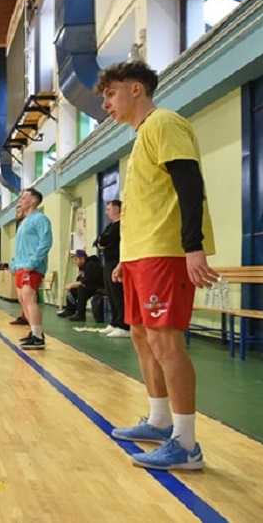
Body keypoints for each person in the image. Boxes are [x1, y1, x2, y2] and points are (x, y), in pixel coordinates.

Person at [96, 61, 217, 470]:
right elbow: (145, 205)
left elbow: (189, 183)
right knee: (142, 336)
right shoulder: (141, 137)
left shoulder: (164, 123)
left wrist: (193, 247)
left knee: (166, 342)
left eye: (110, 94)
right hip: (139, 256)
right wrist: (125, 258)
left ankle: (186, 445)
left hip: (164, 253)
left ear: (135, 90)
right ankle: (161, 421)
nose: (106, 104)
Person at [9, 188, 53, 349]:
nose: (20, 200)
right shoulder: (23, 223)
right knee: (22, 299)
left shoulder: (40, 219)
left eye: (24, 197)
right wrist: (14, 263)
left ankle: (38, 337)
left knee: (29, 298)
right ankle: (34, 332)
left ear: (33, 201)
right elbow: (20, 247)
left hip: (31, 267)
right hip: (21, 266)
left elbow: (46, 242)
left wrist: (33, 262)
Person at [95, 199, 129, 337]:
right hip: (108, 262)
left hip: (117, 262)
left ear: (116, 209)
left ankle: (124, 325)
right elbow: (98, 241)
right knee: (110, 293)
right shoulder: (110, 226)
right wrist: (102, 241)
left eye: (109, 209)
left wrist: (103, 242)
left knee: (118, 293)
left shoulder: (121, 225)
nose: (106, 212)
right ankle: (115, 322)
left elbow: (103, 241)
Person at [56, 249, 104, 322]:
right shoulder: (83, 266)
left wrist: (72, 284)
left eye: (76, 259)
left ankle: (80, 314)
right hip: (91, 285)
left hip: (99, 286)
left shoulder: (91, 265)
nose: (75, 262)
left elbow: (86, 281)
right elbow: (80, 279)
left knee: (81, 289)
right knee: (72, 290)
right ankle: (69, 310)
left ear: (81, 259)